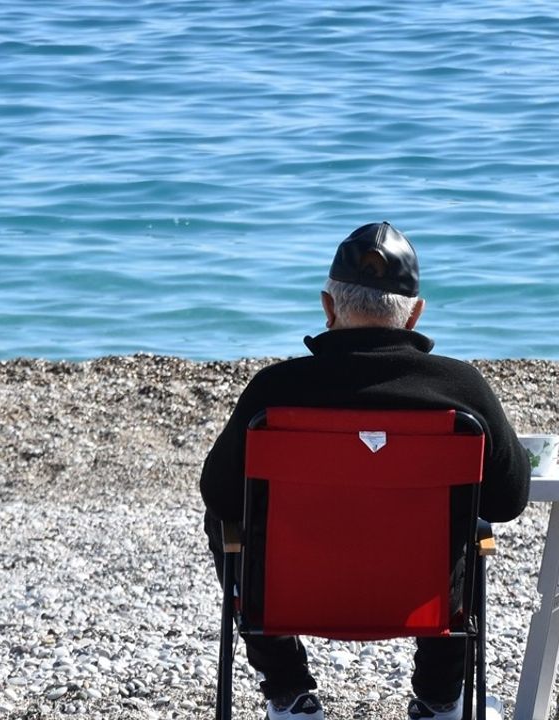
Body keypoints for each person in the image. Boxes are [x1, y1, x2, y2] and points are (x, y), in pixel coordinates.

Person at [199, 222, 530, 720]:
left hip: (297, 594)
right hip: (420, 599)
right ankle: (441, 698)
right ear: (415, 315)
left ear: (328, 307)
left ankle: (289, 694)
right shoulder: (463, 391)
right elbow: (508, 502)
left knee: (225, 519)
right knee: (470, 523)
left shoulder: (274, 392)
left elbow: (220, 497)